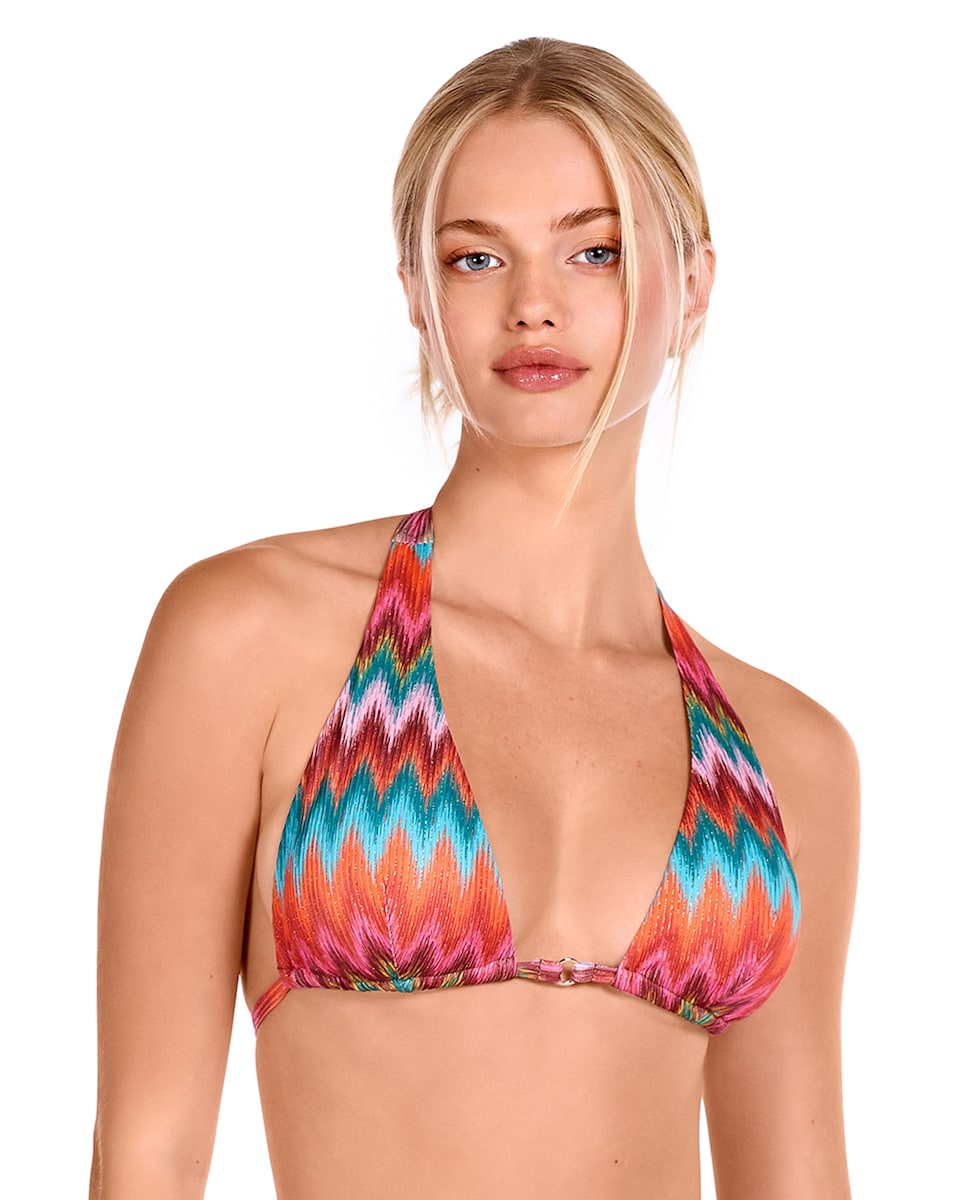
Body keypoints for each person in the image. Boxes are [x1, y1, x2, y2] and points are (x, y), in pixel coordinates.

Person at [90, 36, 859, 1200]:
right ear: (417, 292)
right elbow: (142, 1155)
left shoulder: (788, 757)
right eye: (476, 258)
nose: (534, 306)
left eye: (594, 251)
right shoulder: (250, 638)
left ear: (694, 285)